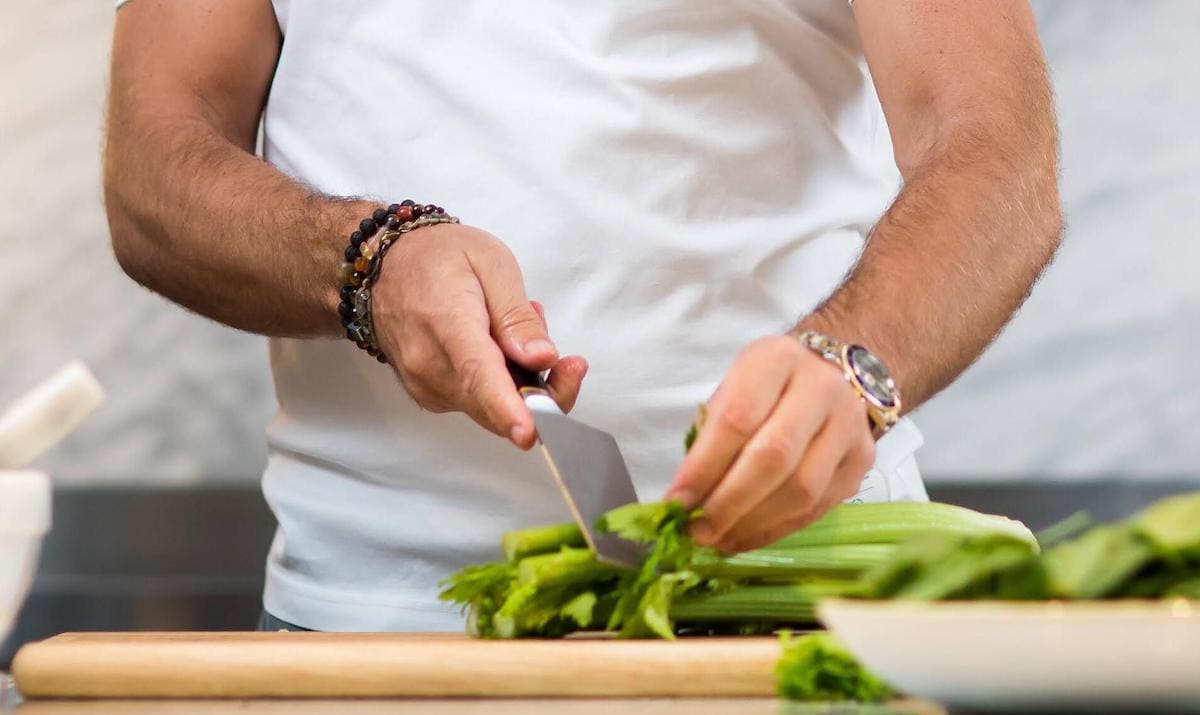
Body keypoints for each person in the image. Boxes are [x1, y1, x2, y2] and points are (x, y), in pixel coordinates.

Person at [104, 1, 1062, 632]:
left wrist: (852, 363)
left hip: (800, 596)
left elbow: (995, 149)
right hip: (375, 619)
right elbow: (155, 171)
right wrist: (371, 262)